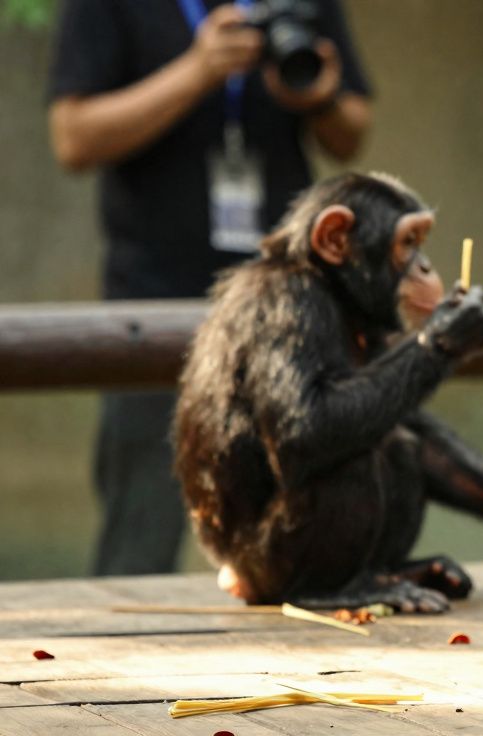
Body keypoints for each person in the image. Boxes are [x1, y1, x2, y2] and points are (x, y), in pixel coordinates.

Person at [47, 0, 372, 576]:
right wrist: (199, 70)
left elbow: (352, 131)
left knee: (298, 515)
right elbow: (72, 137)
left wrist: (317, 98)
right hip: (152, 304)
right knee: (143, 521)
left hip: (283, 300)